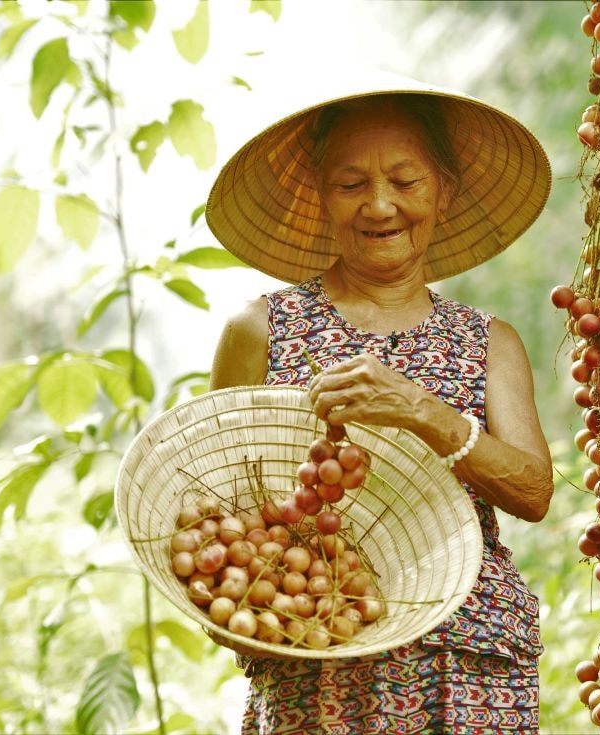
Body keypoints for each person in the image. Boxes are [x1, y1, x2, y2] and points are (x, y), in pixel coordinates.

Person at [204, 68, 554, 734]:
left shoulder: (488, 342)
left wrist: (423, 410)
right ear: (320, 197)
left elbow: (535, 491)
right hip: (320, 654)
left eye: (405, 180)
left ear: (443, 191)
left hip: (467, 663)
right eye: (351, 183)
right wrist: (244, 609)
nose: (381, 205)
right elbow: (222, 514)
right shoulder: (260, 329)